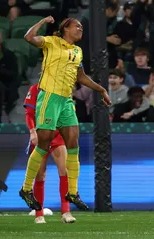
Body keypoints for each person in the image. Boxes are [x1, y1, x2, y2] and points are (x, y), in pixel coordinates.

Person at [20, 17, 111, 210]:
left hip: (66, 101)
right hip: (49, 98)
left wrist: (101, 90)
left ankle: (72, 192)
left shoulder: (78, 51)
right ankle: (26, 188)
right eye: (77, 26)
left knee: (73, 143)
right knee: (44, 144)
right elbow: (29, 37)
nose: (80, 29)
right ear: (65, 29)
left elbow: (81, 77)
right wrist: (43, 20)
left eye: (82, 27)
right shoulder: (51, 42)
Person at [24, 83, 89, 224]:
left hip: (57, 136)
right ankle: (39, 213)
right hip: (42, 135)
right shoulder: (35, 89)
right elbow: (29, 113)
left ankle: (66, 212)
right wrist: (32, 131)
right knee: (40, 174)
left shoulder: (64, 88)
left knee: (64, 171)